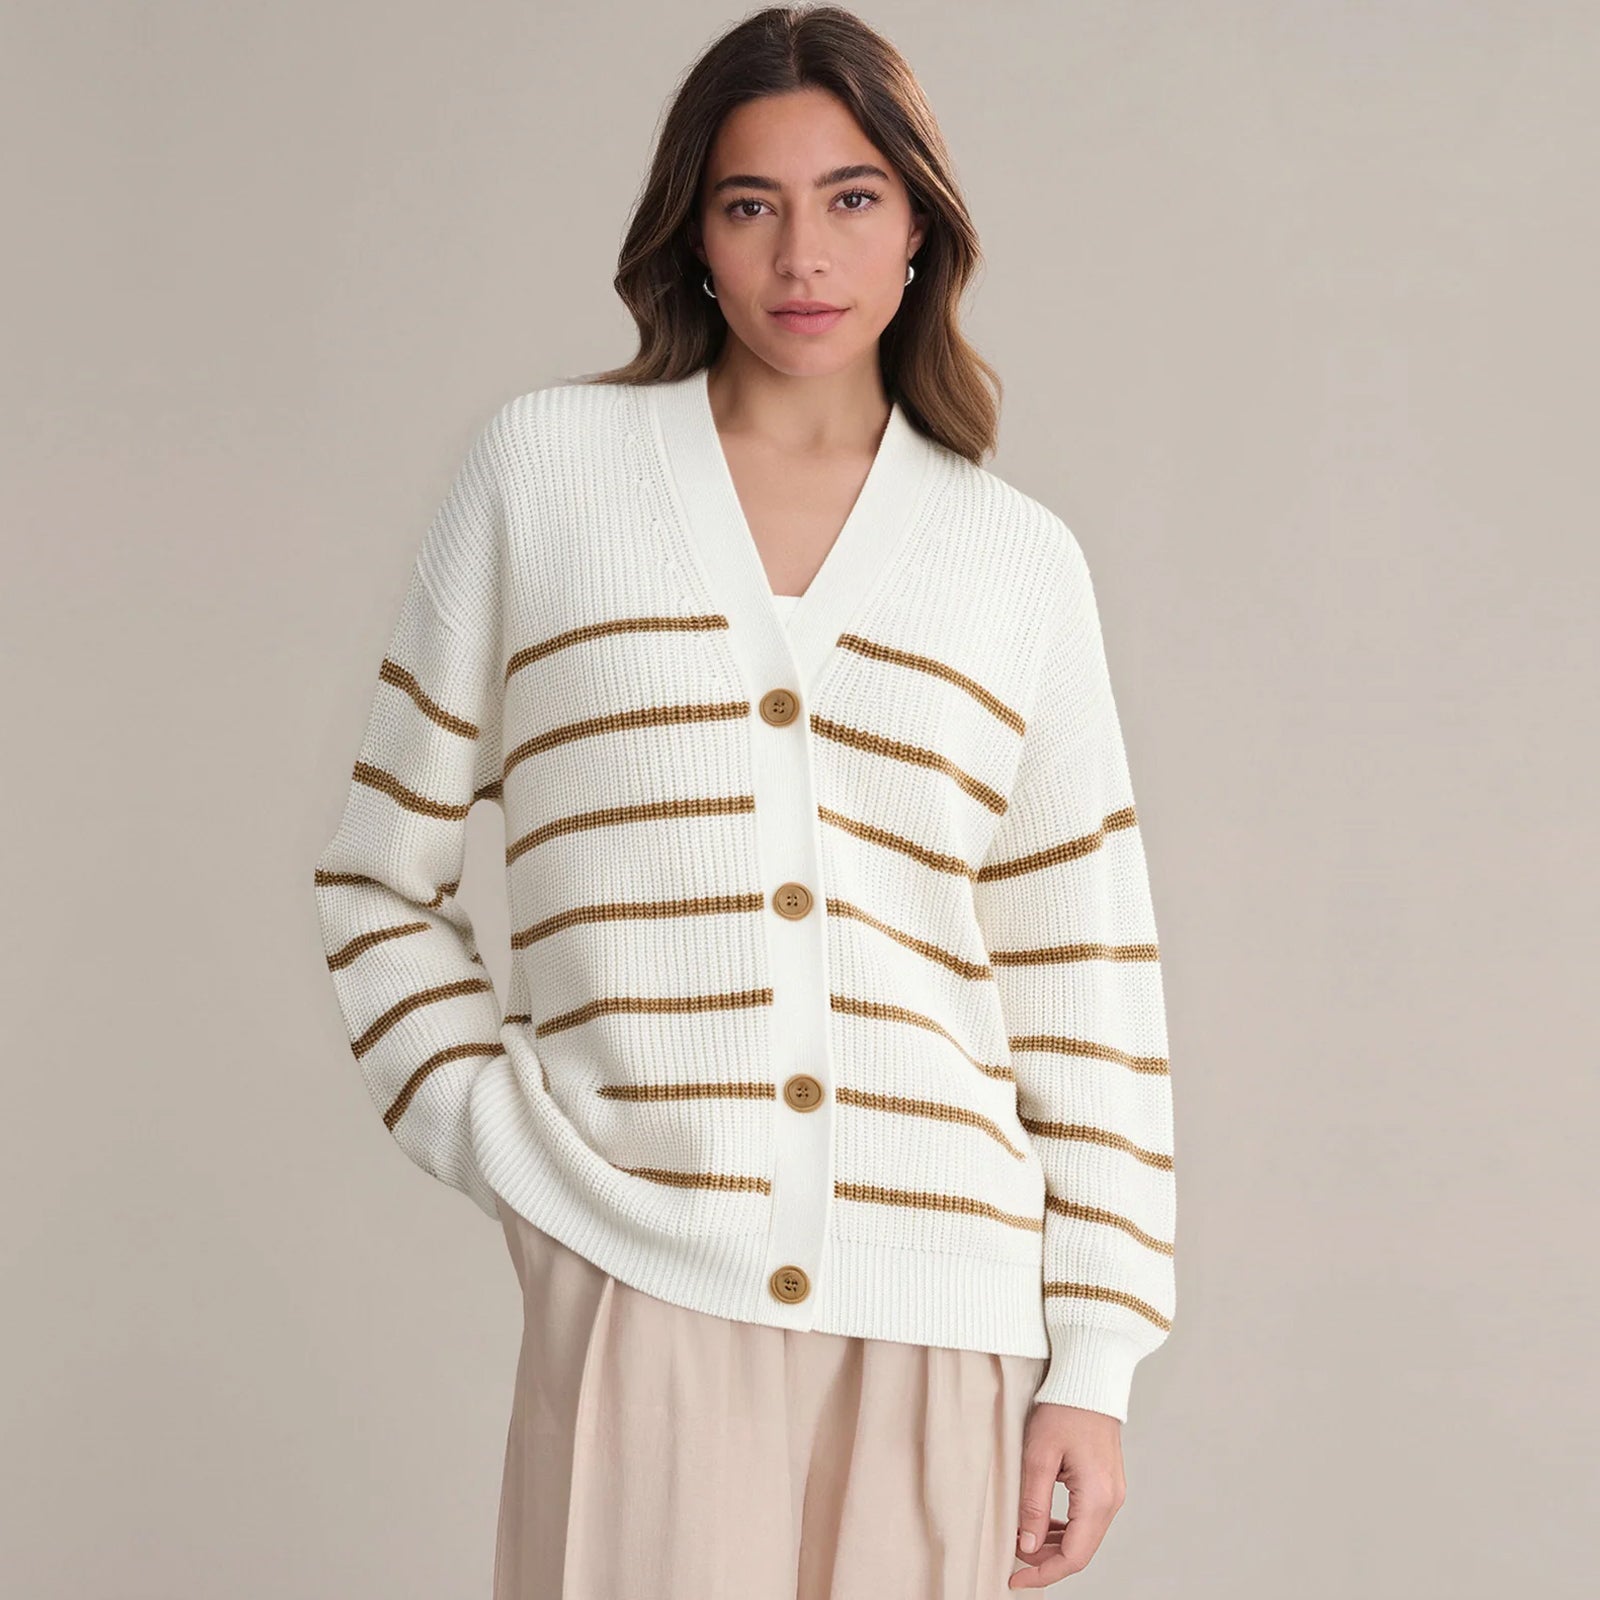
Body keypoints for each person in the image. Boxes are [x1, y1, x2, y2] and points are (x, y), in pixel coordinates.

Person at [311, 6, 1176, 1594]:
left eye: (852, 197)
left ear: (920, 229)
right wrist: (506, 1144)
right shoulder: (545, 475)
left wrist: (1096, 1362)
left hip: (947, 1310)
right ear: (693, 238)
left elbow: (1085, 978)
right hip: (641, 1278)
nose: (803, 255)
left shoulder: (1017, 565)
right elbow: (378, 878)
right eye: (749, 203)